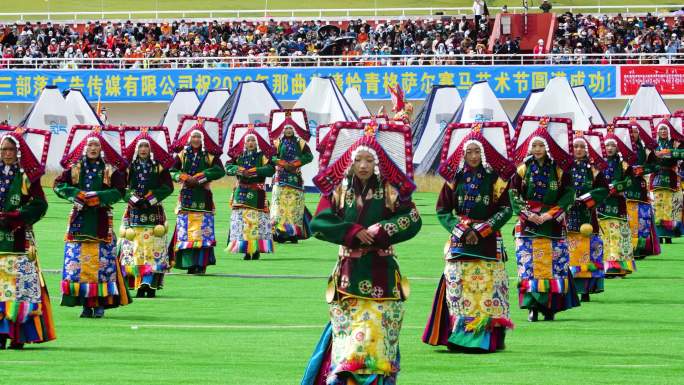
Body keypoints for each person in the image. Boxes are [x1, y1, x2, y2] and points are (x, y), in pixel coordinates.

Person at [301, 122, 421, 385]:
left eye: (369, 160)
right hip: (349, 275)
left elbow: (412, 218)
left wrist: (382, 230)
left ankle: (377, 379)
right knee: (347, 332)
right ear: (350, 161)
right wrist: (352, 231)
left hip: (383, 273)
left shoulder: (391, 190)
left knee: (379, 331)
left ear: (378, 164)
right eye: (358, 159)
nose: (364, 165)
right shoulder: (338, 190)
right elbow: (319, 223)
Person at [422, 122, 514, 353]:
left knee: (489, 288)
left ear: (484, 153)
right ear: (462, 154)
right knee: (458, 287)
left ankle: (485, 339)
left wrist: (483, 229)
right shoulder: (454, 179)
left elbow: (506, 209)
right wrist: (462, 230)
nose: (473, 156)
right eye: (469, 152)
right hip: (460, 241)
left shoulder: (496, 179)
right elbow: (443, 210)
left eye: (477, 152)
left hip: (489, 240)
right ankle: (458, 335)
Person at [54, 126, 131, 318]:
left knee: (102, 266)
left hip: (100, 221)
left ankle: (100, 304)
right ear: (84, 147)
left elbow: (120, 191)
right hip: (79, 221)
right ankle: (85, 305)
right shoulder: (74, 168)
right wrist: (76, 195)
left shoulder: (109, 170)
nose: (93, 148)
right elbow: (58, 185)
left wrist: (98, 196)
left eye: (96, 144)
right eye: (90, 144)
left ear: (101, 148)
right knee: (78, 265)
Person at [509, 117, 579, 322]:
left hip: (553, 224)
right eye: (534, 145)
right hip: (528, 223)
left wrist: (549, 214)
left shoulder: (558, 170)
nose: (537, 149)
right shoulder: (522, 169)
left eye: (541, 145)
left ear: (548, 148)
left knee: (555, 264)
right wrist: (528, 214)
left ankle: (550, 307)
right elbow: (513, 193)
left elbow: (569, 194)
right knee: (528, 265)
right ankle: (532, 306)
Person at [0, 126, 56, 349]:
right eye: (3, 149)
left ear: (18, 152)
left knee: (21, 287)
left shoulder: (27, 177)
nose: (6, 153)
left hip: (19, 238)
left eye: (10, 149)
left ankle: (19, 334)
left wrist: (16, 216)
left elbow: (40, 204)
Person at [118, 127, 174, 298]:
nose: (143, 150)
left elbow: (167, 187)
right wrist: (133, 199)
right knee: (134, 248)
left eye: (146, 147)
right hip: (133, 213)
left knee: (152, 249)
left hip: (154, 213)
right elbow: (121, 187)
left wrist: (150, 199)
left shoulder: (159, 168)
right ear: (136, 149)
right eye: (141, 147)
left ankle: (148, 283)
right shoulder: (128, 168)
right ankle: (136, 282)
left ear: (151, 150)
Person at [168, 117, 225, 274]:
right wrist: (184, 177)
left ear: (203, 139)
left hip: (203, 197)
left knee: (203, 231)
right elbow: (171, 171)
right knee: (186, 231)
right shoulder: (182, 155)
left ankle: (200, 264)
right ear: (189, 138)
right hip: (186, 197)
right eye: (193, 136)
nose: (196, 139)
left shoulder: (210, 156)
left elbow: (220, 171)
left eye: (199, 137)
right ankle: (188, 264)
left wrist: (201, 177)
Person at [566, 132, 608, 302]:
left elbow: (604, 190)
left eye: (582, 146)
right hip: (567, 214)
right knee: (569, 251)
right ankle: (570, 287)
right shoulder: (564, 168)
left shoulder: (595, 169)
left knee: (589, 250)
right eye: (575, 146)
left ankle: (587, 289)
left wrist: (587, 198)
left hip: (587, 215)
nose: (579, 149)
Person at [225, 127, 276, 260]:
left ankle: (256, 249)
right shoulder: (238, 156)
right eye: (248, 140)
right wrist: (240, 170)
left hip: (257, 192)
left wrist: (254, 171)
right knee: (242, 221)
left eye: (253, 140)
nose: (251, 142)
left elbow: (271, 170)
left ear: (257, 142)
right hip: (241, 192)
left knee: (256, 221)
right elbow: (228, 168)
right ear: (244, 143)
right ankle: (245, 249)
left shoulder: (262, 156)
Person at [614, 122, 660, 258]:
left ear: (639, 133)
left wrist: (643, 170)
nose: (632, 134)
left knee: (642, 218)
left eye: (635, 131)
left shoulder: (645, 149)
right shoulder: (619, 149)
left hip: (640, 186)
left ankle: (640, 248)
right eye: (630, 132)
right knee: (626, 218)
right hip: (624, 186)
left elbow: (656, 166)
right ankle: (626, 247)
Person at [269, 111, 314, 244]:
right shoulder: (277, 142)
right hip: (280, 178)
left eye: (290, 128)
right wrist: (282, 163)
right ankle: (280, 232)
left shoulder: (300, 142)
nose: (288, 130)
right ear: (282, 130)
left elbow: (309, 156)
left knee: (294, 207)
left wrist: (296, 163)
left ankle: (293, 233)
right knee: (279, 206)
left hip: (295, 178)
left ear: (294, 130)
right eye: (286, 128)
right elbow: (270, 156)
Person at [598, 129, 636, 277]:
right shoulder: (598, 163)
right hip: (601, 203)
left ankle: (619, 266)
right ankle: (606, 266)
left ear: (618, 147)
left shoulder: (624, 164)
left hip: (617, 203)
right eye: (607, 145)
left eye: (613, 145)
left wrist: (616, 187)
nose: (610, 148)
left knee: (618, 235)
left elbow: (629, 181)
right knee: (604, 235)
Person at [649, 119, 684, 244]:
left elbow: (682, 153)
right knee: (657, 205)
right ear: (657, 132)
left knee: (669, 205)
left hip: (671, 176)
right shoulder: (653, 144)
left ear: (669, 131)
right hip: (657, 175)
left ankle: (668, 235)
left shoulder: (674, 143)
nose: (663, 131)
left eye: (665, 129)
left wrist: (670, 152)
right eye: (661, 129)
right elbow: (648, 160)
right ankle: (659, 234)